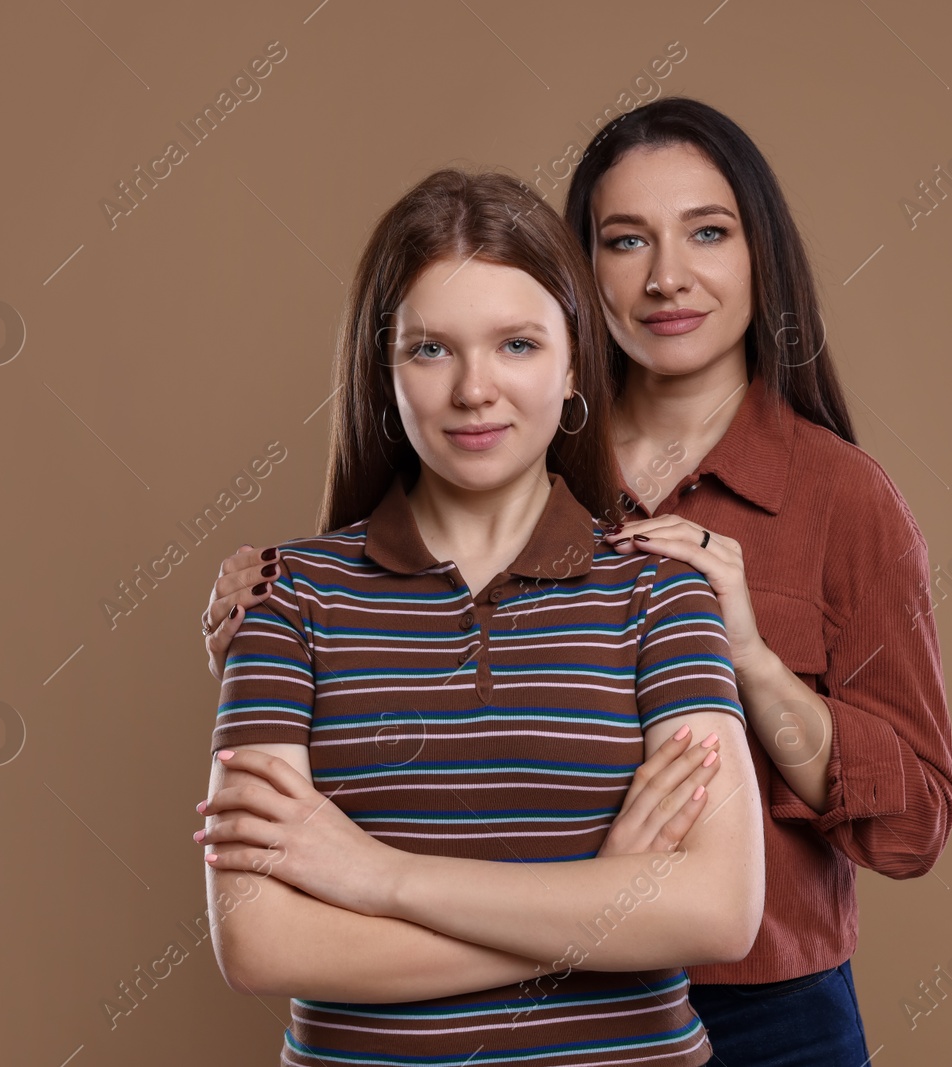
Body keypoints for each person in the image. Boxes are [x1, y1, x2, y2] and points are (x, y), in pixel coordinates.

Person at [202, 97, 952, 1067]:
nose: (666, 276)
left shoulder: (825, 502)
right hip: (519, 997)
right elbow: (267, 927)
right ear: (581, 279)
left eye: (707, 232)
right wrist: (596, 906)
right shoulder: (410, 523)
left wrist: (753, 666)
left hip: (761, 1005)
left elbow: (896, 829)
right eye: (624, 239)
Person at [197, 167, 765, 1067]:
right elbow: (261, 940)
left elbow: (719, 909)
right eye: (431, 350)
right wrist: (603, 903)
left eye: (517, 345)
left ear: (575, 359)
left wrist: (378, 876)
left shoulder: (661, 591)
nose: (474, 389)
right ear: (382, 369)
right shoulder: (283, 595)